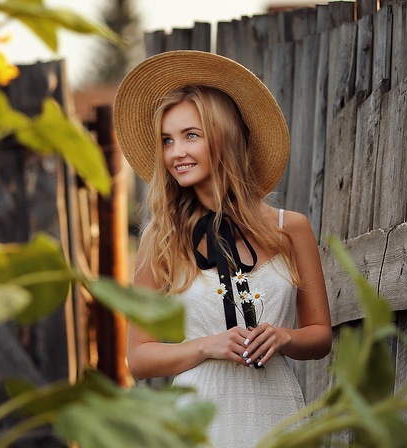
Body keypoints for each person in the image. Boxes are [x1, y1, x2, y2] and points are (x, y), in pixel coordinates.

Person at [113, 50, 332, 448]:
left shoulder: (291, 229)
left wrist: (283, 337)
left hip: (278, 414)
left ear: (224, 136)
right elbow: (139, 359)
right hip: (197, 422)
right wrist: (206, 345)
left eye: (190, 135)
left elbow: (320, 337)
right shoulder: (161, 239)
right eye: (167, 140)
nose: (175, 152)